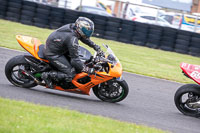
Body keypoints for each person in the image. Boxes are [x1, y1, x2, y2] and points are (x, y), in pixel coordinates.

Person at [41, 17, 101, 88]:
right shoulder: (72, 39)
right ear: (80, 28)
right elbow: (75, 60)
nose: (88, 32)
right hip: (53, 53)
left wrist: (96, 47)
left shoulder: (74, 28)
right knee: (71, 73)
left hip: (58, 47)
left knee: (79, 60)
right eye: (86, 30)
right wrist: (87, 69)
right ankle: (47, 75)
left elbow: (83, 38)